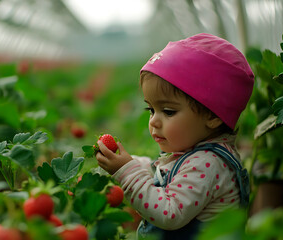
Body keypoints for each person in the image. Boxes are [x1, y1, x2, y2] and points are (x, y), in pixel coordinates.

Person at [96, 33, 254, 239]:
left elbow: (169, 213)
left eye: (168, 111)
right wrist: (132, 164)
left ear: (213, 116)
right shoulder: (197, 154)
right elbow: (167, 175)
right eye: (151, 110)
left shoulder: (207, 165)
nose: (153, 121)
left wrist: (128, 174)